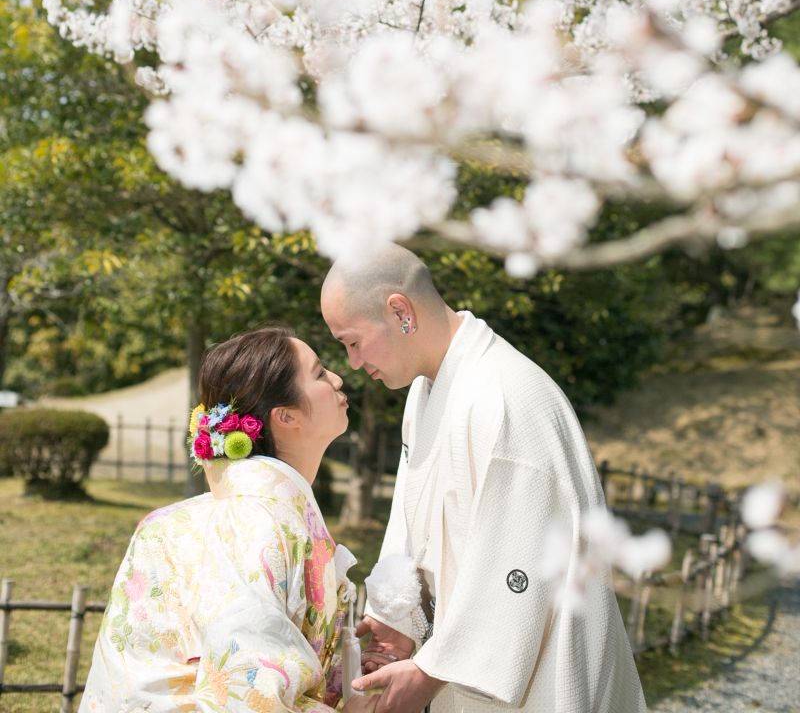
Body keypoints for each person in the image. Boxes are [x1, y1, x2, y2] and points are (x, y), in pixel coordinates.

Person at [321, 245, 646, 713]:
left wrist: (432, 671)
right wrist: (397, 614)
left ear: (400, 312)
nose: (351, 363)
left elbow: (520, 563)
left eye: (352, 341)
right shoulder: (426, 389)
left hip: (540, 679)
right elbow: (414, 520)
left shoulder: (503, 397)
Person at [81, 327, 369, 713]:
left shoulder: (255, 513)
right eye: (319, 373)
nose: (337, 378)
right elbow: (245, 684)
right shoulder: (250, 522)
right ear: (285, 415)